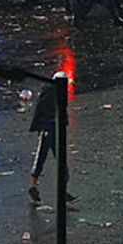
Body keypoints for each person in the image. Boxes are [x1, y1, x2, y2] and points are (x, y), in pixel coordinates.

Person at [28, 72, 74, 203]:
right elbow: (43, 110)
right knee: (41, 157)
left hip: (55, 129)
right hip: (49, 130)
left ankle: (62, 191)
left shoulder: (57, 93)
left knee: (61, 160)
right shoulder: (50, 93)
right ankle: (33, 187)